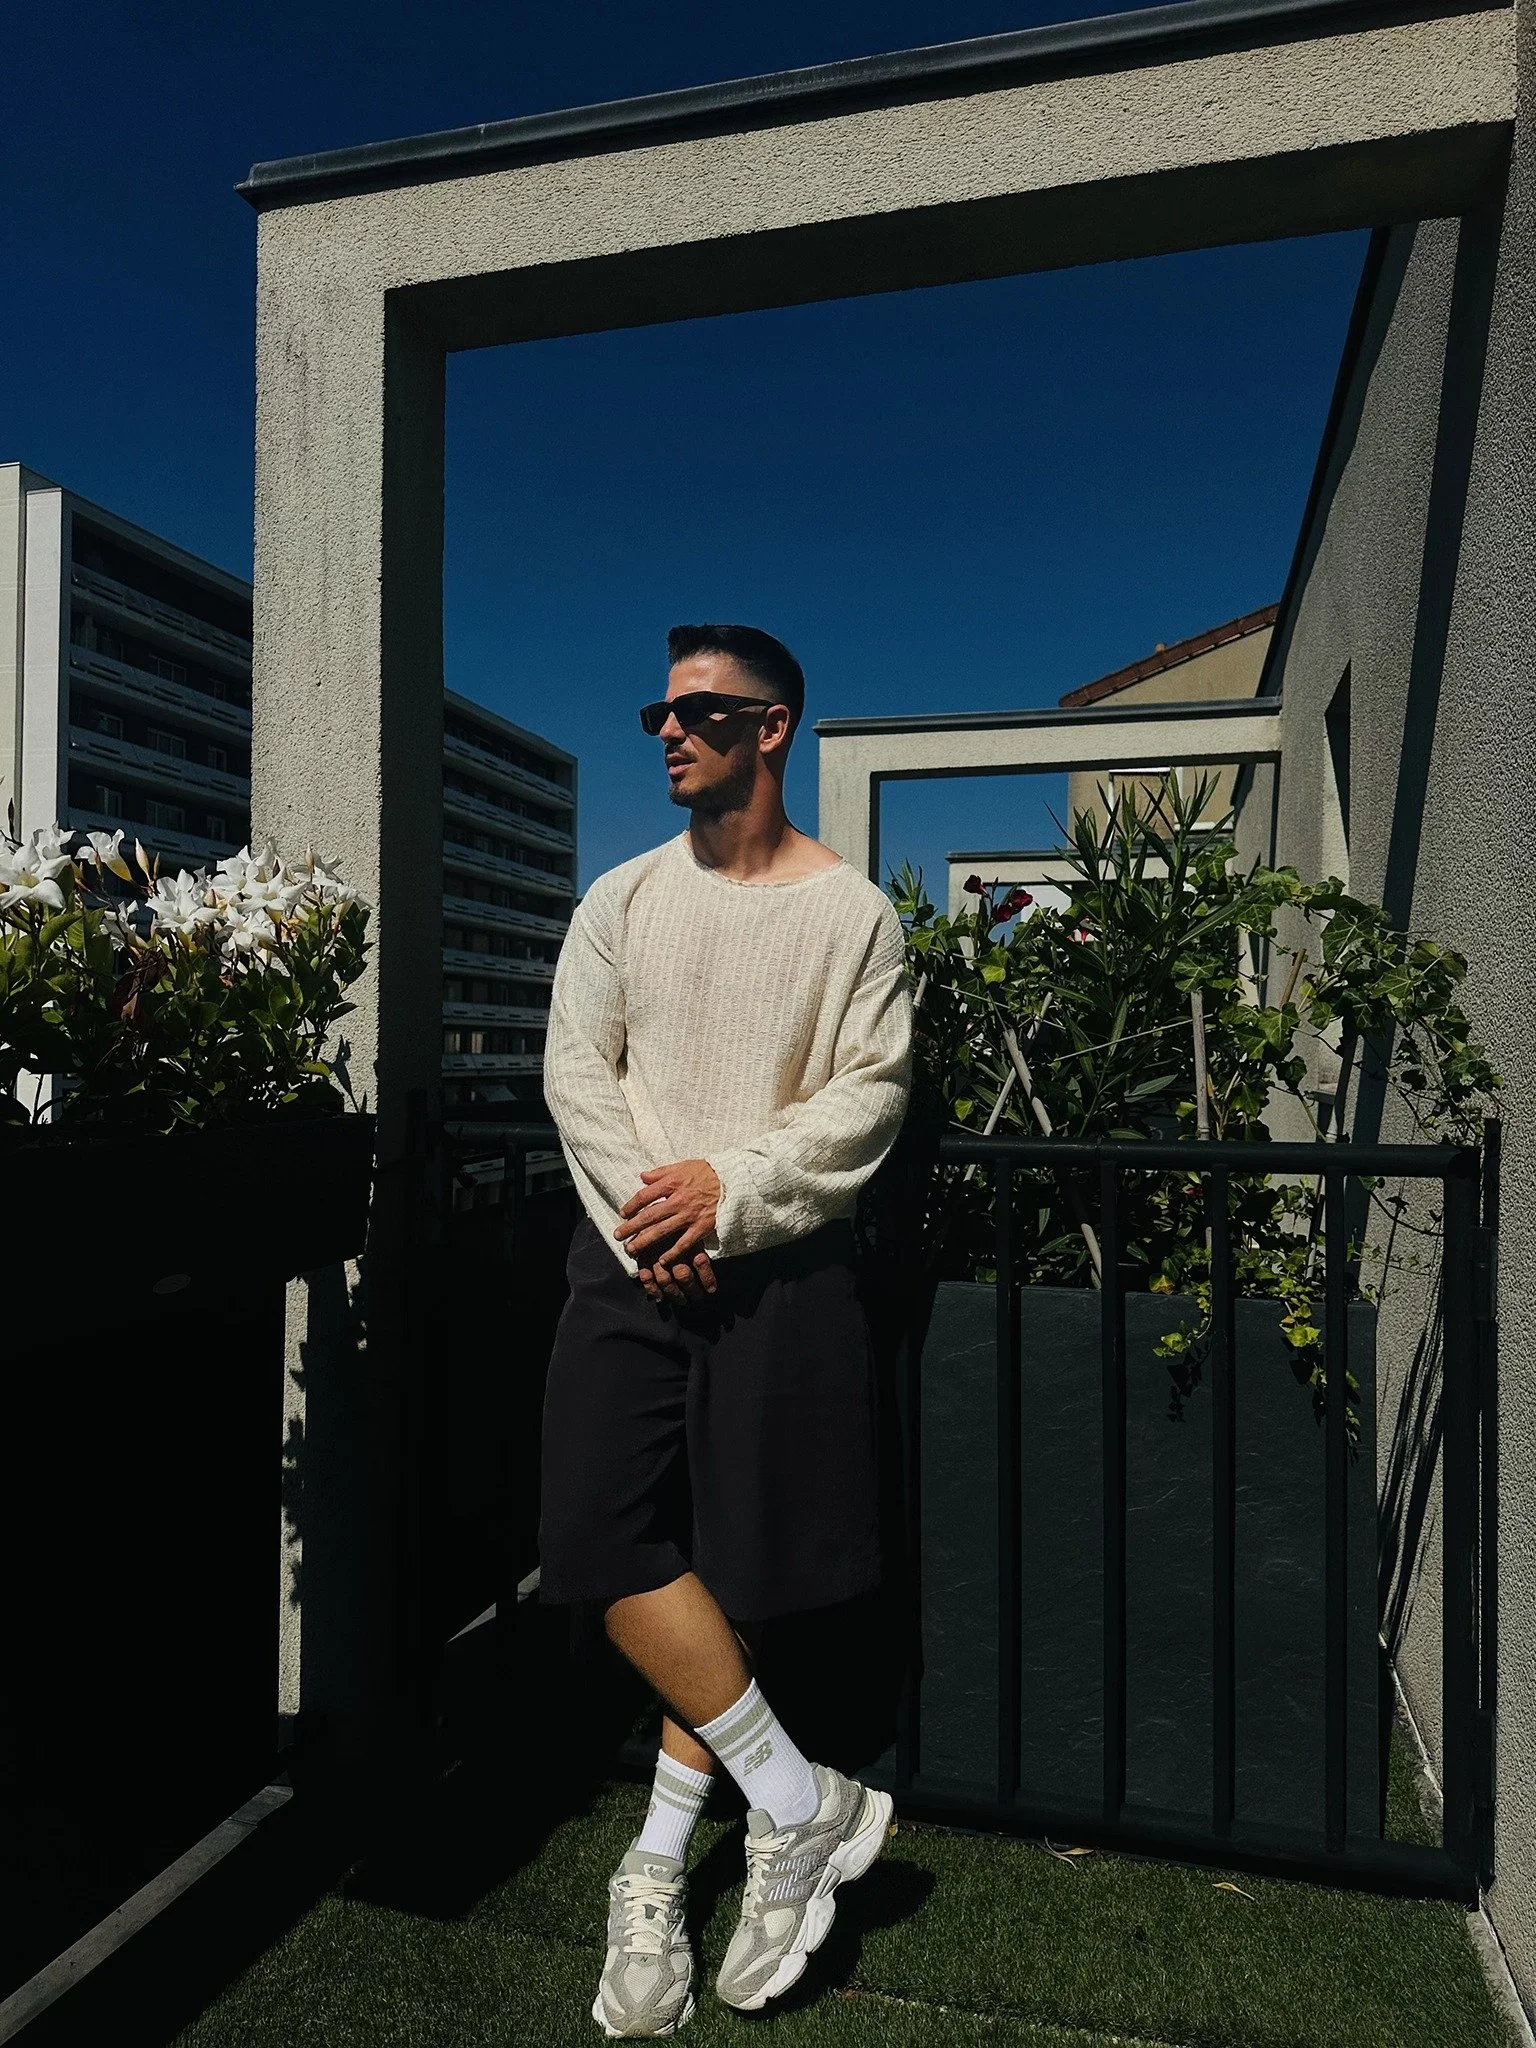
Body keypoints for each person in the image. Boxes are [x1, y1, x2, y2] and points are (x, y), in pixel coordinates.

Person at [539, 622, 914, 2037]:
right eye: (660, 708)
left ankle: (665, 1867)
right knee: (593, 1535)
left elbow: (865, 1102)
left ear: (776, 729)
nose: (666, 731)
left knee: (741, 1573)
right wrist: (659, 1210)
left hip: (778, 1276)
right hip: (629, 1260)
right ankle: (804, 1803)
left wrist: (731, 1196)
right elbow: (580, 1072)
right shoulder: (622, 901)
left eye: (698, 710)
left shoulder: (853, 918)